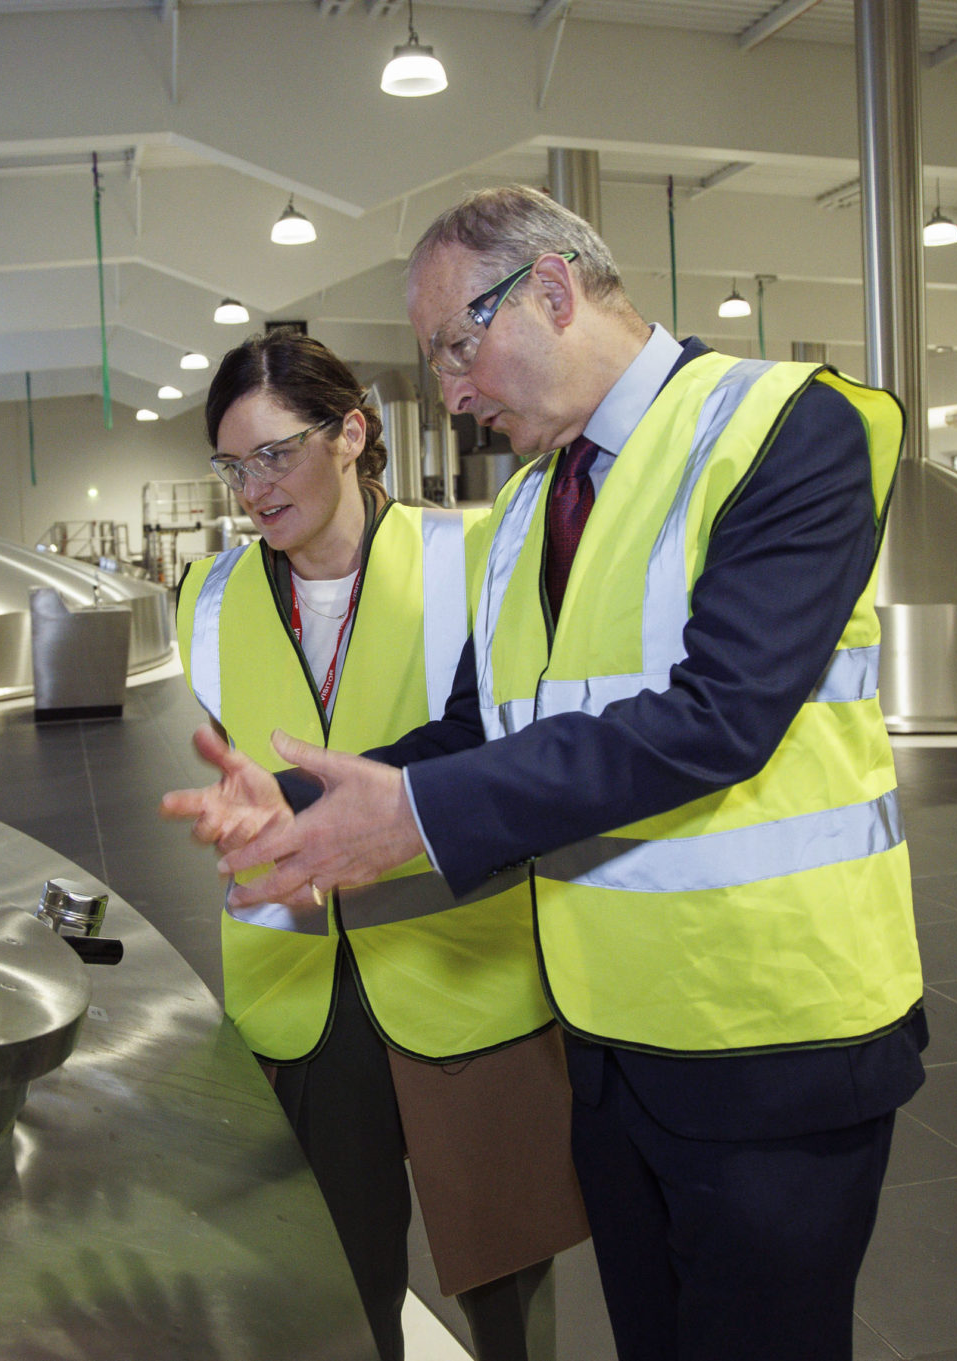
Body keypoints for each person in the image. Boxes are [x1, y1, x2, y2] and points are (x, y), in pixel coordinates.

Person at [162, 187, 927, 1361]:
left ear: (554, 290)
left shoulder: (782, 428)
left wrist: (416, 818)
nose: (456, 394)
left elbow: (717, 717)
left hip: (773, 1039)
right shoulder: (526, 510)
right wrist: (311, 805)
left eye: (458, 349)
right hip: (610, 1041)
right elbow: (483, 722)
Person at [173, 330, 588, 1361]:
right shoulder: (208, 598)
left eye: (274, 453)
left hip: (463, 976)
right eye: (232, 466)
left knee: (509, 1297)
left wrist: (309, 797)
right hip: (295, 989)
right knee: (337, 1298)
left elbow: (504, 741)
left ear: (351, 432)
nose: (252, 490)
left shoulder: (473, 558)